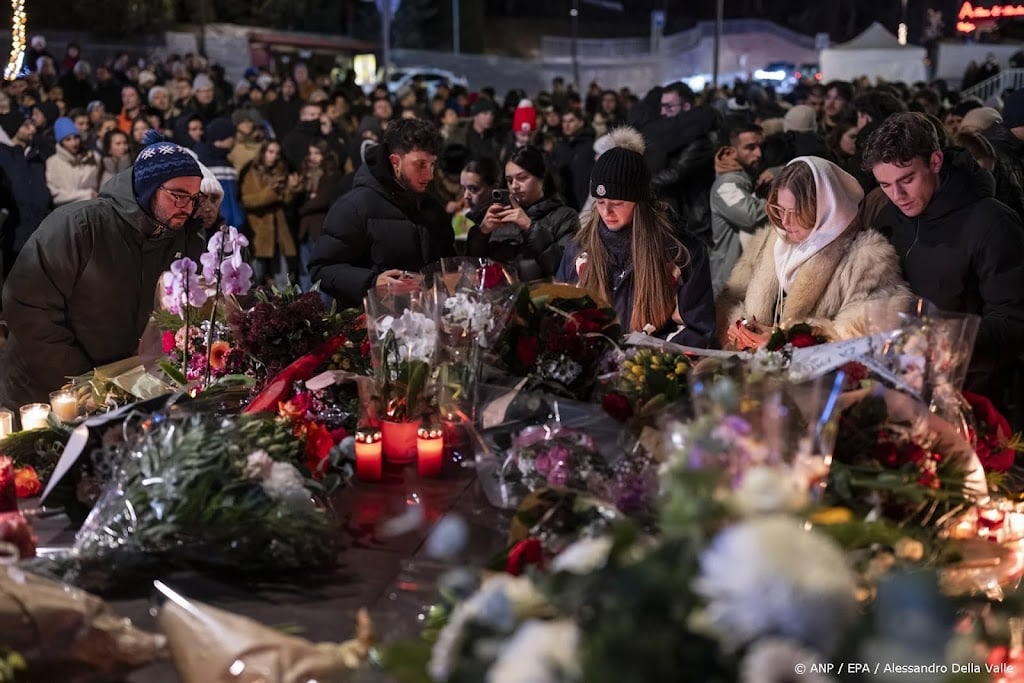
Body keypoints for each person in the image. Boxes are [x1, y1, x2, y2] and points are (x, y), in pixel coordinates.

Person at [1, 139, 206, 408]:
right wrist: (80, 379)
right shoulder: (80, 226)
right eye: (178, 195)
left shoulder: (182, 239)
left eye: (194, 198)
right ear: (148, 189)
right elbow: (27, 305)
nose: (188, 208)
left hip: (117, 392)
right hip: (40, 390)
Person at [864, 112, 1024, 403]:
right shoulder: (889, 217)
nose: (897, 195)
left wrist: (944, 341)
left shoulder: (991, 221)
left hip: (971, 393)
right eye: (885, 185)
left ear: (935, 162)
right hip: (902, 385)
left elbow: (1013, 321)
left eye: (907, 179)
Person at [718, 156, 911, 349]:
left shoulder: (867, 260)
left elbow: (864, 332)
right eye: (780, 209)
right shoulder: (770, 242)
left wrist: (786, 340)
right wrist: (740, 329)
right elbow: (732, 299)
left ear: (825, 208)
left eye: (795, 212)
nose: (785, 222)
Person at [557, 147, 715, 346]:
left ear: (640, 203)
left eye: (618, 203)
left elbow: (697, 328)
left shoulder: (681, 254)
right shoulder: (578, 250)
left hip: (651, 368)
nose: (607, 212)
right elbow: (560, 317)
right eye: (600, 202)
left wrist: (643, 357)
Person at [308, 118, 454, 308]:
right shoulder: (355, 206)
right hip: (371, 326)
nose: (429, 175)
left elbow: (448, 263)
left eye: (432, 164)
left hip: (426, 322)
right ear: (395, 161)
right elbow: (322, 268)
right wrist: (372, 282)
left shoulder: (431, 206)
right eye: (420, 165)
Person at [466, 146, 579, 282]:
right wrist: (481, 233)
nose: (514, 186)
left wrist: (531, 228)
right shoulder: (497, 212)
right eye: (509, 180)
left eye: (522, 178)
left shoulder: (565, 216)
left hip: (542, 296)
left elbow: (565, 268)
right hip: (499, 294)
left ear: (541, 178)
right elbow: (471, 265)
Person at [708, 121, 766, 294]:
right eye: (750, 147)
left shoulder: (746, 178)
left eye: (760, 146)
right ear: (729, 152)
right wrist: (779, 199)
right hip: (729, 281)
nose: (759, 153)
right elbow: (750, 215)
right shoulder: (725, 185)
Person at [45, 116, 101, 206]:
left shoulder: (93, 157)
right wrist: (87, 195)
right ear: (61, 142)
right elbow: (56, 196)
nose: (74, 143)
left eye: (76, 137)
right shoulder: (52, 163)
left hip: (93, 210)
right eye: (68, 139)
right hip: (68, 214)